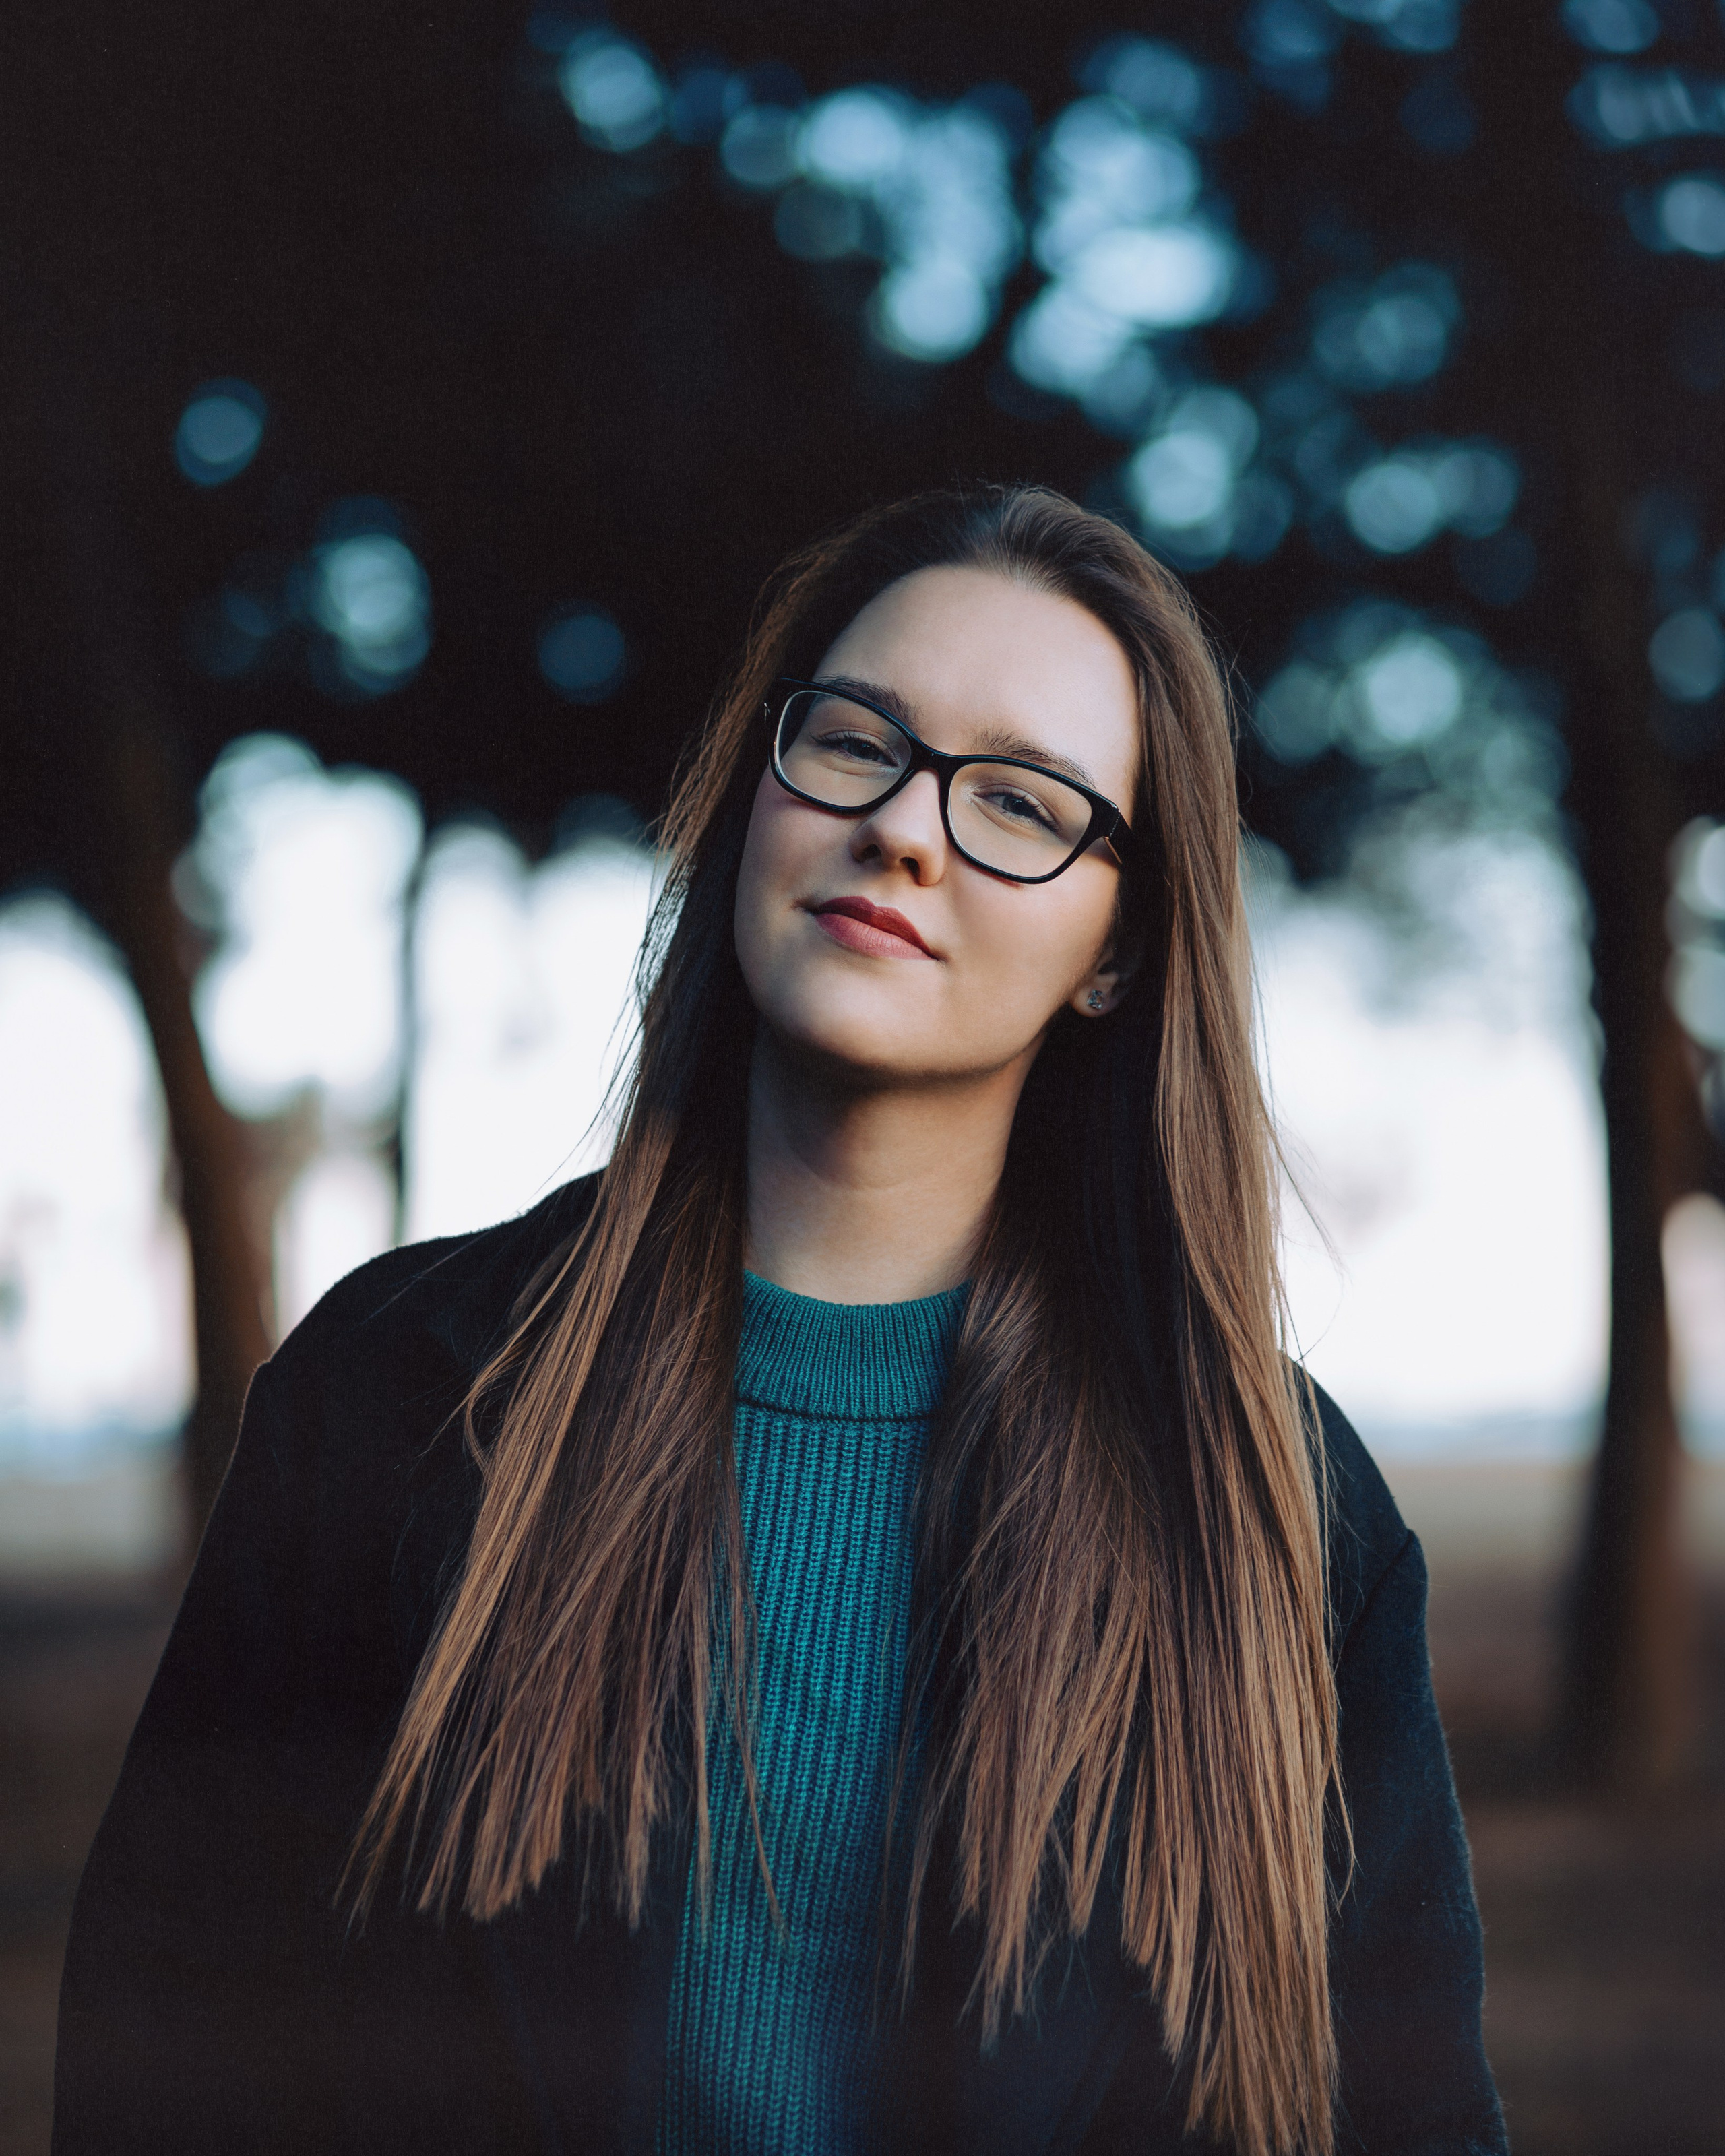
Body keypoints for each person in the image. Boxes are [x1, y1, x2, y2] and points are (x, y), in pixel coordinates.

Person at [53, 485, 1506, 2156]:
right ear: (757, 790)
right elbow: (166, 2062)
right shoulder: (394, 1396)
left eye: (1020, 801)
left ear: (1118, 947)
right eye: (853, 741)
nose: (904, 827)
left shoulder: (1277, 1517)